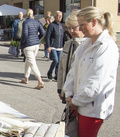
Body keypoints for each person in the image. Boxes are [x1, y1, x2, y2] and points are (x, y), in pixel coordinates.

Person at [63, 6, 119, 137]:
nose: (80, 28)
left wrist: (75, 101)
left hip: (92, 109)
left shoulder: (106, 47)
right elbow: (73, 72)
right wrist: (69, 93)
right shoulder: (86, 44)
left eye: (82, 24)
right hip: (78, 104)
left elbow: (95, 82)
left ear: (94, 22)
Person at [57, 10, 86, 104]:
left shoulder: (88, 45)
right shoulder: (68, 44)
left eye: (74, 28)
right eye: (68, 28)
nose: (71, 31)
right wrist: (60, 89)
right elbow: (61, 68)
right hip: (68, 91)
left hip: (80, 92)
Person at [19, 9, 45, 89]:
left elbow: (25, 34)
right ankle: (26, 78)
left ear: (26, 15)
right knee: (28, 61)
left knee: (32, 63)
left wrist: (21, 43)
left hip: (28, 45)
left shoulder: (25, 22)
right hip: (36, 44)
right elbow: (43, 32)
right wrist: (38, 39)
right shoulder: (37, 22)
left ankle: (40, 81)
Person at [46, 11, 64, 80]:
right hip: (53, 46)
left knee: (59, 62)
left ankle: (57, 75)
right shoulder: (51, 25)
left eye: (61, 16)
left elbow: (62, 36)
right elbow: (48, 36)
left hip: (60, 46)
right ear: (55, 16)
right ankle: (50, 72)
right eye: (58, 16)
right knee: (55, 60)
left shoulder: (61, 25)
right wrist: (48, 46)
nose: (59, 18)